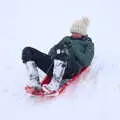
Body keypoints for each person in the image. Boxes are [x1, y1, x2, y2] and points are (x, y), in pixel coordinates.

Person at [22, 17, 94, 94]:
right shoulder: (66, 39)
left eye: (76, 33)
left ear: (82, 33)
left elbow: (86, 62)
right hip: (55, 66)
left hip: (70, 70)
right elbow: (52, 51)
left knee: (62, 51)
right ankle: (34, 83)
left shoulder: (88, 44)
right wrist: (56, 52)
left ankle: (54, 85)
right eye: (72, 32)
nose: (73, 34)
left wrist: (73, 49)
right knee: (28, 50)